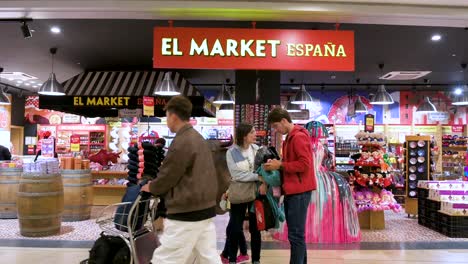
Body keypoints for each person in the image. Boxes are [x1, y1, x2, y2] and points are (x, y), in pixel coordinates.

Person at [141, 96, 220, 264]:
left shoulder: (182, 142)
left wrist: (152, 187)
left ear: (174, 116)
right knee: (208, 257)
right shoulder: (198, 138)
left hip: (187, 210)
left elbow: (169, 175)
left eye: (167, 116)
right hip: (205, 208)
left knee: (165, 258)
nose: (166, 120)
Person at [264, 108, 316, 264]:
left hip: (299, 191)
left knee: (295, 234)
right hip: (294, 190)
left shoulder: (298, 137)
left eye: (275, 126)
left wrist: (280, 165)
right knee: (297, 234)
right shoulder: (291, 138)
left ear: (284, 121)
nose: (276, 130)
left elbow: (304, 164)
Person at [225, 123, 265, 264]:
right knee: (235, 228)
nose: (255, 134)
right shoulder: (231, 153)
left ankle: (256, 260)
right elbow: (237, 175)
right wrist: (256, 177)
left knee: (256, 229)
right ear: (244, 135)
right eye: (252, 132)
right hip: (239, 194)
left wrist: (261, 178)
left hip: (255, 194)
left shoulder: (257, 150)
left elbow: (263, 171)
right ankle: (232, 259)